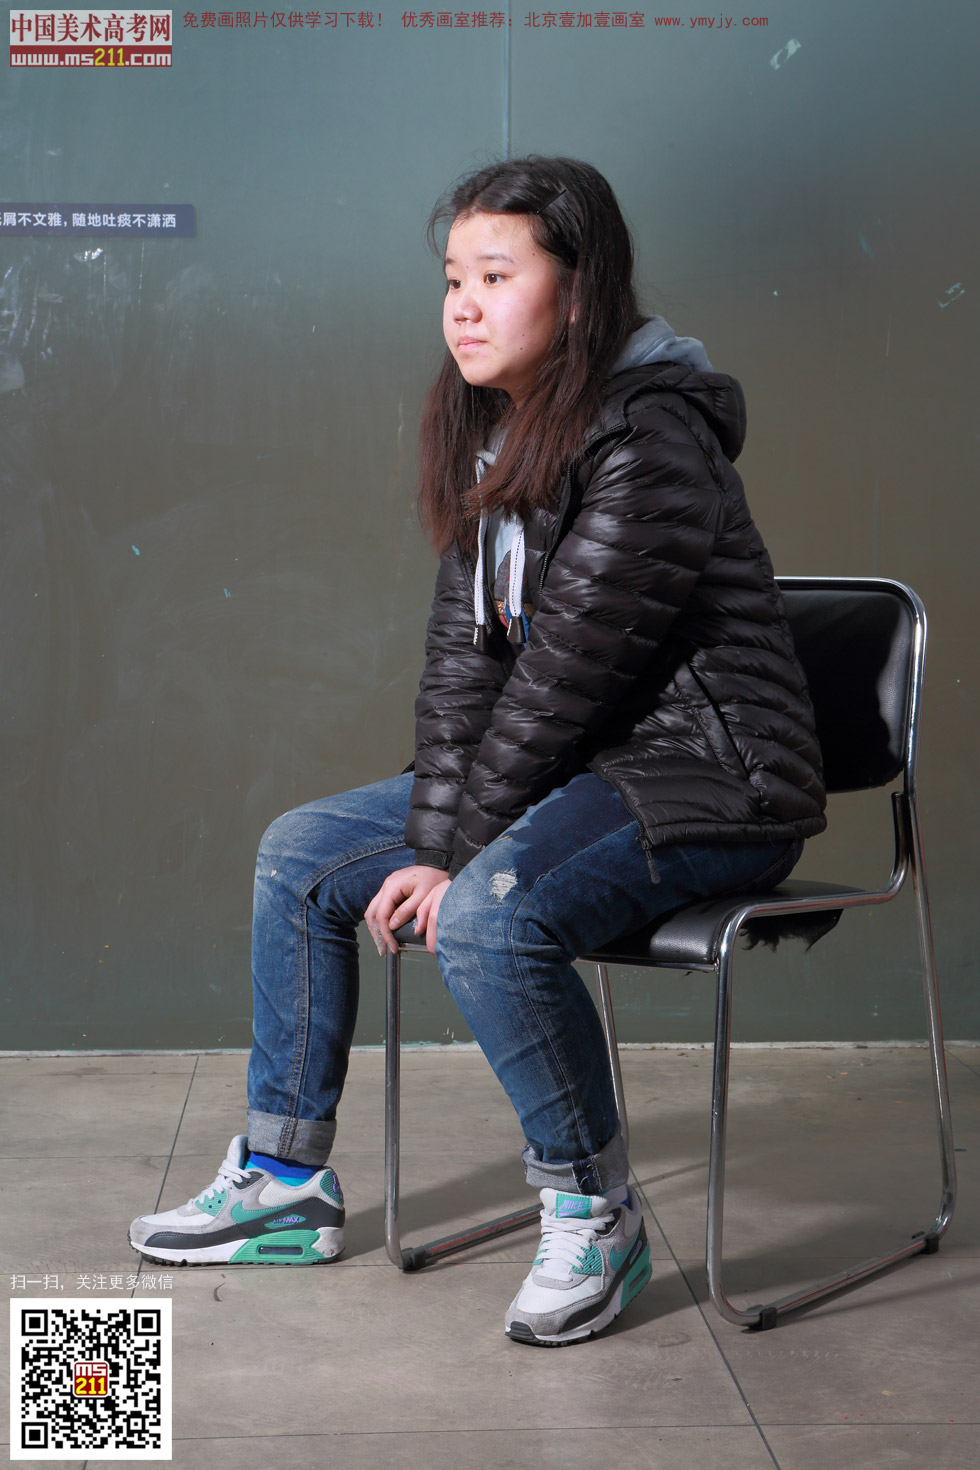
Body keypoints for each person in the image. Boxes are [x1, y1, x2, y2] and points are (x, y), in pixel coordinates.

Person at [129, 156, 827, 1346]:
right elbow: (467, 668)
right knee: (302, 855)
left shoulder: (650, 441)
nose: (462, 305)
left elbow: (566, 680)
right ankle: (286, 1182)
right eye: (452, 279)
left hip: (707, 781)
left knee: (488, 915)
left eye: (495, 277)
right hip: (579, 772)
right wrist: (445, 832)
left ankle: (593, 1210)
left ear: (579, 292)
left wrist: (456, 856)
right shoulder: (501, 433)